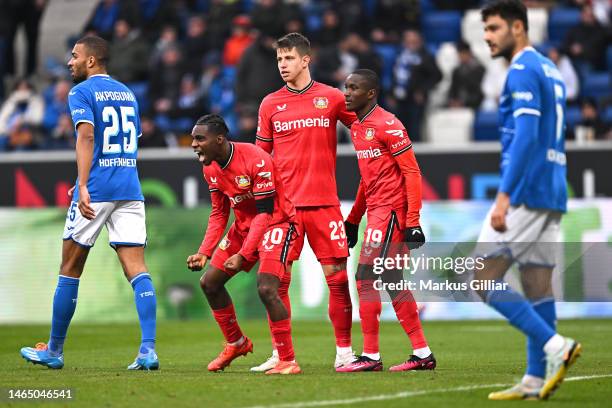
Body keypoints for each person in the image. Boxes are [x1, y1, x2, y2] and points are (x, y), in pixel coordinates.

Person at [19, 35, 158, 370]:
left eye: (75, 56)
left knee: (70, 267)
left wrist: (82, 184)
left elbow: (87, 135)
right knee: (137, 269)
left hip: (96, 190)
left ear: (91, 61)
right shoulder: (127, 93)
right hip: (130, 187)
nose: (70, 62)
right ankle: (148, 349)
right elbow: (131, 141)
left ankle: (53, 350)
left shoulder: (80, 92)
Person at [477, 1, 581, 400]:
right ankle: (536, 378)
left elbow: (526, 135)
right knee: (537, 284)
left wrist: (504, 195)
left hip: (526, 190)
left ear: (518, 27)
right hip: (552, 187)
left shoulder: (521, 70)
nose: (487, 36)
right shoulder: (549, 68)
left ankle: (557, 347)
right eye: (485, 29)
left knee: (482, 278)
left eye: (494, 28)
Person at [253, 32, 357, 372]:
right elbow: (260, 157)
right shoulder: (270, 104)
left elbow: (364, 125)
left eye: (289, 58)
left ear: (305, 60)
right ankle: (282, 354)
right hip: (283, 210)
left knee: (338, 279)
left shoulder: (332, 98)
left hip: (324, 203)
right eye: (279, 59)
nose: (283, 64)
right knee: (275, 282)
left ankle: (344, 353)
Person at [186, 114, 301, 375]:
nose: (193, 144)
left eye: (199, 139)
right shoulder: (210, 168)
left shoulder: (256, 158)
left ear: (219, 139)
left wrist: (244, 254)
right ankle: (236, 343)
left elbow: (264, 212)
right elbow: (218, 214)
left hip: (276, 223)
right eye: (193, 138)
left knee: (267, 288)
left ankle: (288, 360)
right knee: (209, 283)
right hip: (243, 226)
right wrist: (205, 251)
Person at [338, 69, 435, 372]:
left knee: (365, 278)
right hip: (378, 213)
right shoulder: (357, 127)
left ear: (371, 93)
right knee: (392, 280)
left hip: (393, 213)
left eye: (353, 88)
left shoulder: (389, 124)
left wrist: (413, 221)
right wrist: (354, 219)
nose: (347, 93)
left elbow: (412, 172)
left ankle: (370, 356)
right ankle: (422, 354)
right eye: (345, 87)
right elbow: (369, 179)